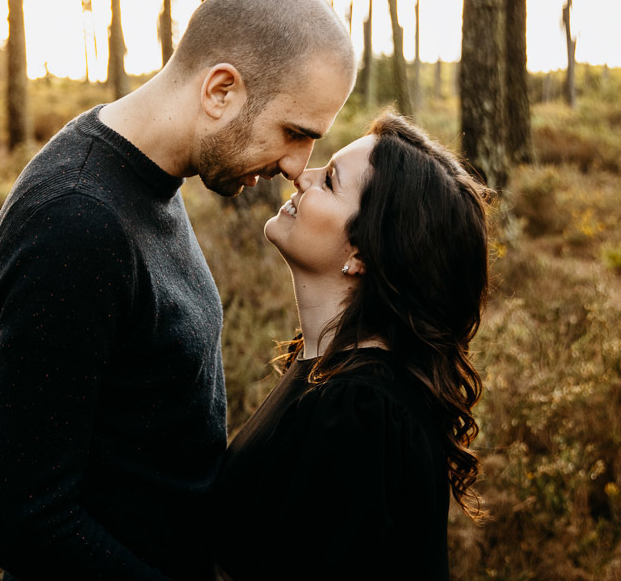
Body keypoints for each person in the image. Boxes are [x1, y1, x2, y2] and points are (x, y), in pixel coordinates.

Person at [0, 0, 357, 580]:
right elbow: (27, 521)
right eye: (294, 133)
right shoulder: (76, 224)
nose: (295, 166)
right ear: (221, 90)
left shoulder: (145, 176)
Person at [208, 113, 490, 580]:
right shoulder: (332, 374)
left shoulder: (362, 411)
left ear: (362, 252)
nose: (301, 173)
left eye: (331, 180)